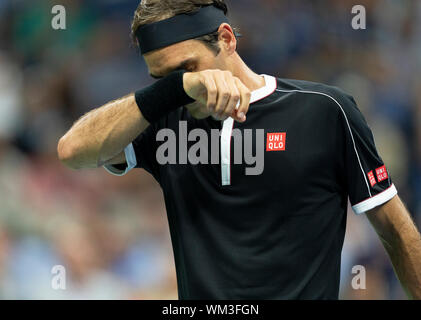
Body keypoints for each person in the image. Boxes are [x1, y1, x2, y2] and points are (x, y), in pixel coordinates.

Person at [58, 0, 421, 299]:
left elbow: (394, 229)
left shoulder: (325, 110)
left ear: (227, 39)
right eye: (163, 79)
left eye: (188, 68)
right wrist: (173, 90)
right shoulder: (163, 120)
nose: (183, 85)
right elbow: (73, 150)